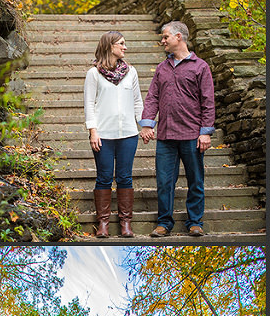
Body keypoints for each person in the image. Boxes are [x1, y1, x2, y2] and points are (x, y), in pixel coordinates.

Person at [140, 21, 215, 238]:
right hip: (165, 136)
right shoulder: (162, 68)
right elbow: (153, 96)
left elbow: (208, 101)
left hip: (192, 135)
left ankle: (195, 222)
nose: (162, 41)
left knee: (195, 180)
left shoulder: (200, 67)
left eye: (166, 37)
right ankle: (164, 223)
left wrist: (205, 132)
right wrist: (147, 123)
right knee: (164, 182)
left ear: (179, 37)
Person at [83, 30, 143, 238]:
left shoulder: (131, 72)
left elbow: (137, 101)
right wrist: (93, 131)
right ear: (110, 46)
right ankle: (103, 224)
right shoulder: (94, 73)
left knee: (125, 177)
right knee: (104, 177)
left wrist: (143, 125)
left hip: (128, 133)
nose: (125, 47)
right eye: (121, 44)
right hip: (104, 134)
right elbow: (89, 104)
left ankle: (126, 223)